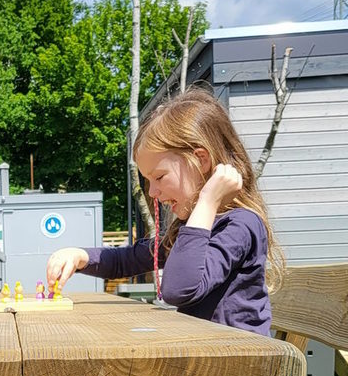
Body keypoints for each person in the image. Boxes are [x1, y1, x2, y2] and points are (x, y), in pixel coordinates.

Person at [45, 88, 284, 336]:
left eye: (159, 177)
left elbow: (180, 290)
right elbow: (129, 259)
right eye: (149, 181)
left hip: (243, 365)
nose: (152, 192)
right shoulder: (193, 227)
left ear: (201, 160)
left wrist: (207, 200)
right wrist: (81, 256)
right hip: (210, 358)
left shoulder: (241, 224)